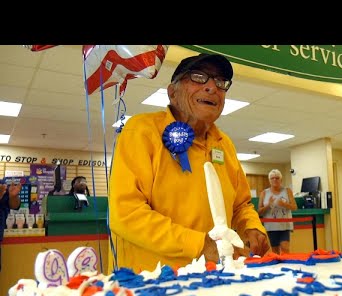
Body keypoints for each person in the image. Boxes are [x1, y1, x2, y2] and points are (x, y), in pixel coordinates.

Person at [108, 53, 270, 273]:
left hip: (215, 278)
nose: (212, 86)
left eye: (221, 82)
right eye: (198, 77)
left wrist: (252, 227)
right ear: (172, 93)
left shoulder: (224, 144)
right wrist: (200, 244)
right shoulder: (142, 131)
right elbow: (126, 214)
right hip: (150, 284)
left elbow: (241, 205)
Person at [258, 169, 297, 254]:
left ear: (281, 180)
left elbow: (294, 207)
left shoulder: (287, 191)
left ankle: (287, 264)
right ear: (269, 180)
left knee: (285, 247)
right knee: (275, 252)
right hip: (271, 227)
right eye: (272, 178)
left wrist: (284, 204)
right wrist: (268, 205)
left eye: (277, 178)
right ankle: (278, 267)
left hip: (285, 226)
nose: (275, 180)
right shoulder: (264, 193)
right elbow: (259, 212)